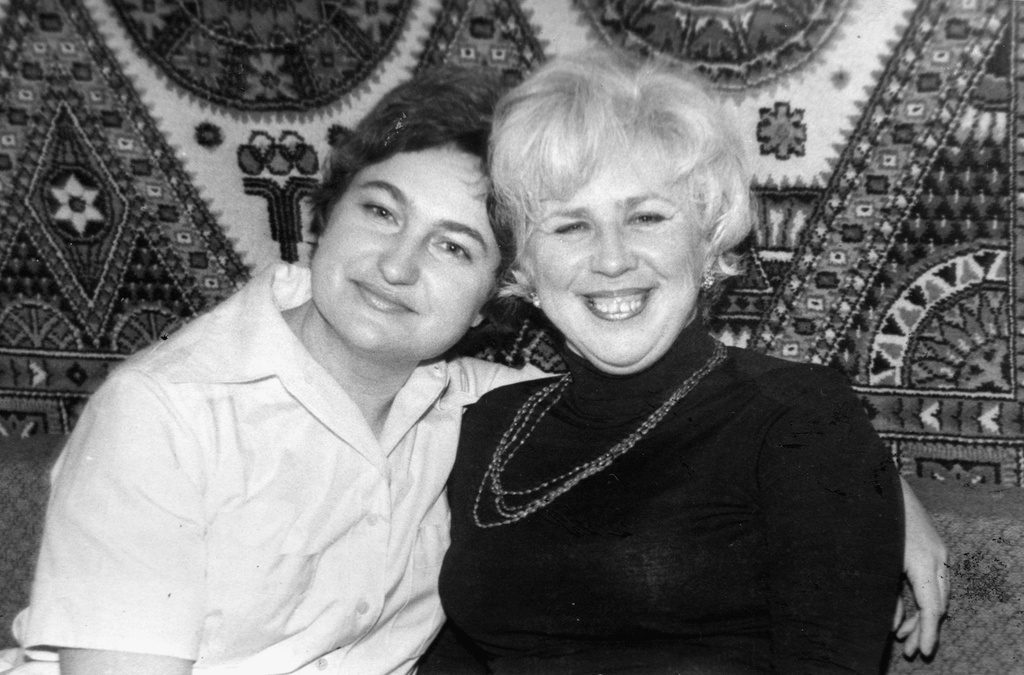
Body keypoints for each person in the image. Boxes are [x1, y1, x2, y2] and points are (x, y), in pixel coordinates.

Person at [0, 66, 545, 675]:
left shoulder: (477, 405)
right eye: (381, 212)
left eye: (453, 247)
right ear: (328, 217)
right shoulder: (163, 410)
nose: (396, 266)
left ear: (492, 299)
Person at [433, 48, 941, 673]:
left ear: (708, 242)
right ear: (526, 267)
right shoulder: (490, 424)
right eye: (570, 227)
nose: (612, 259)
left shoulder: (798, 415)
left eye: (646, 217)